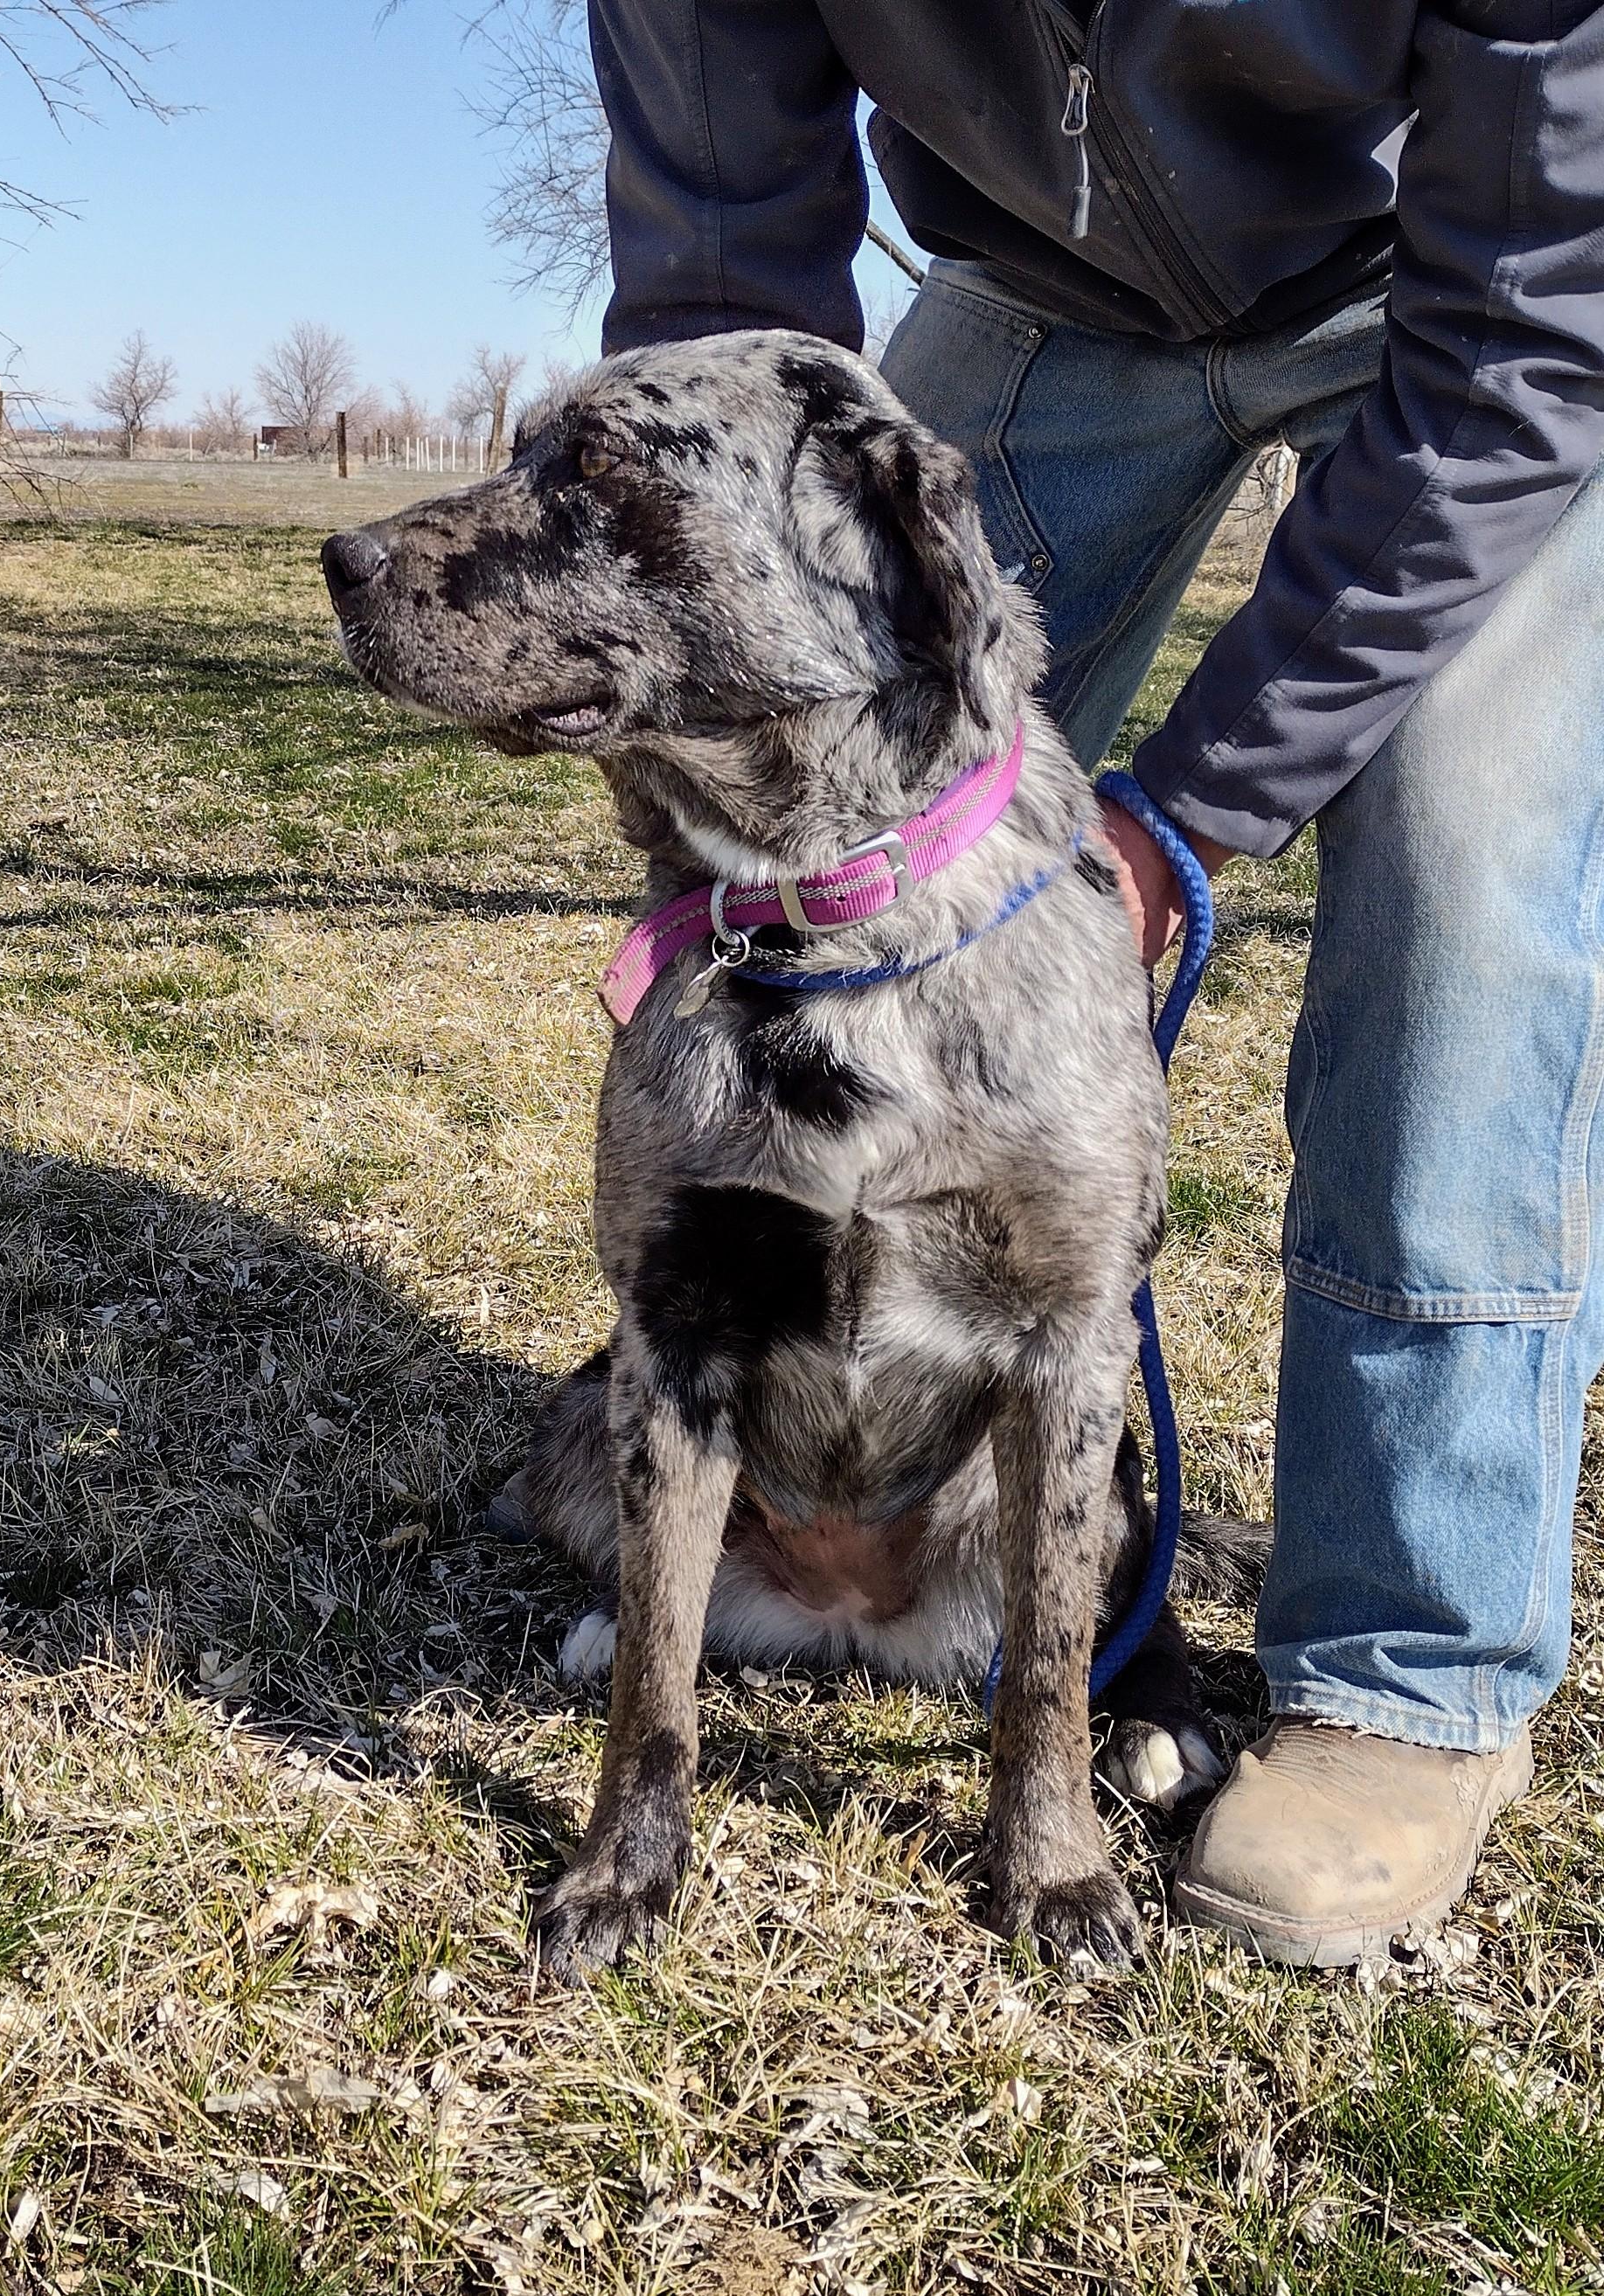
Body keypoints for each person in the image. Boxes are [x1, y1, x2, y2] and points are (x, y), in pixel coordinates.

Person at [584, 0, 1604, 1965]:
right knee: (816, 786)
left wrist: (1186, 818)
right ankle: (796, 1413)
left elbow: (1534, 323)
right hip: (1028, 293)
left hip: (1438, 301)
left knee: (1469, 882)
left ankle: (1405, 1672)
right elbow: (721, 282)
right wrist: (726, 799)